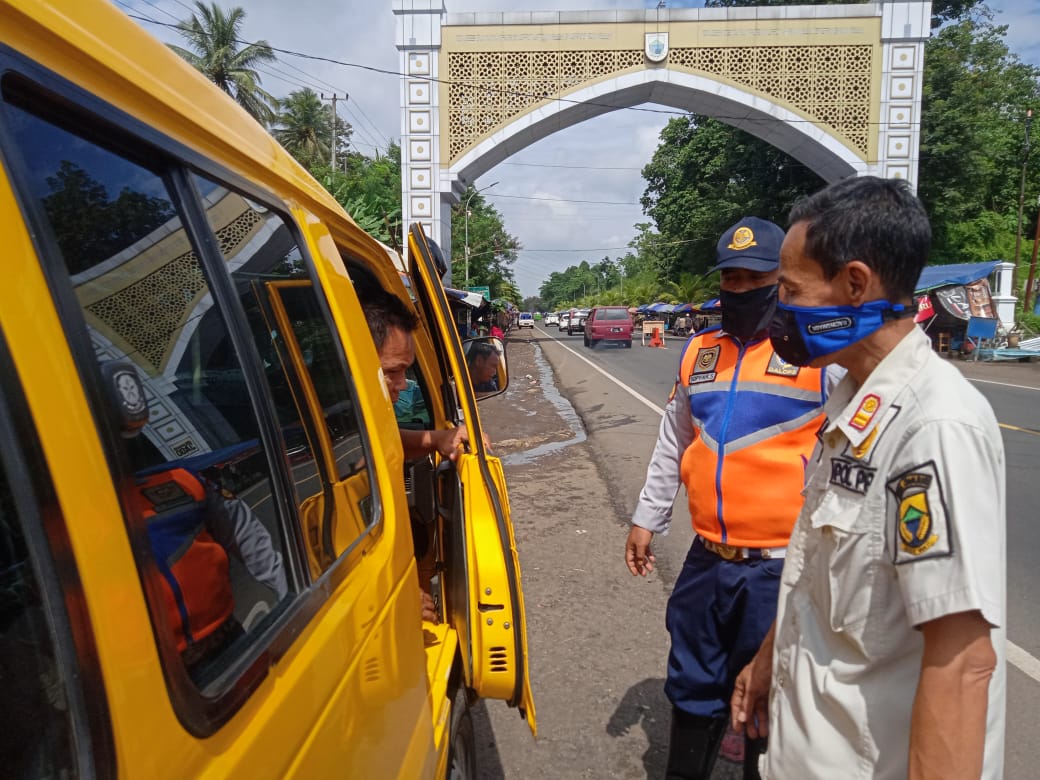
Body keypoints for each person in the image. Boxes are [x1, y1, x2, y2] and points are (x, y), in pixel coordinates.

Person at [731, 176, 1005, 779]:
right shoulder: (853, 410)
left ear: (855, 284)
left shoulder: (933, 428)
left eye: (791, 290)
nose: (781, 310)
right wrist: (768, 658)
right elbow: (821, 576)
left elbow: (961, 662)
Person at [625, 218, 829, 780]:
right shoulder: (699, 351)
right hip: (709, 559)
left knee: (767, 700)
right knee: (692, 688)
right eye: (730, 280)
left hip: (779, 568)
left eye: (753, 279)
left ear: (780, 281)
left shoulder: (816, 356)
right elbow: (675, 440)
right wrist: (648, 518)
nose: (738, 291)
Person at [361, 291, 469, 463]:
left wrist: (437, 438)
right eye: (393, 371)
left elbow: (380, 439)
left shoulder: (351, 424)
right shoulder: (329, 434)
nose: (404, 385)